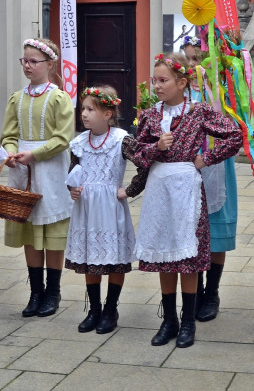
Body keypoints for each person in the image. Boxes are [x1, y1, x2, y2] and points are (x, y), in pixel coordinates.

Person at [131, 53, 242, 348]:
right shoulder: (150, 115)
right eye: (154, 80)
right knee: (165, 255)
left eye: (163, 80)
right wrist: (156, 147)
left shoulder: (198, 111)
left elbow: (234, 136)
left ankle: (188, 322)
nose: (157, 85)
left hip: (187, 188)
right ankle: (169, 320)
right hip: (159, 189)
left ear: (182, 82)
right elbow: (136, 153)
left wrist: (206, 158)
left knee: (187, 258)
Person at [65, 86, 148, 334]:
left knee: (113, 259)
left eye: (91, 109)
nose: (84, 114)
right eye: (83, 109)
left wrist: (129, 190)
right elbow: (73, 173)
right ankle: (94, 309)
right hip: (86, 208)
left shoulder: (121, 140)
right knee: (91, 257)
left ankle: (111, 308)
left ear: (108, 113)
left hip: (110, 208)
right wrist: (73, 189)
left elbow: (144, 165)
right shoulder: (79, 142)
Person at [1, 38, 74, 317]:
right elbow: (9, 134)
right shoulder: (17, 98)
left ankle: (52, 292)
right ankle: (35, 292)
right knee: (30, 232)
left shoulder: (58, 98)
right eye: (25, 61)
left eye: (34, 61)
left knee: (52, 234)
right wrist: (10, 152)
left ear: (50, 64)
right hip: (22, 170)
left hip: (50, 169)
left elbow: (63, 137)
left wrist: (35, 155)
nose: (28, 66)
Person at [180, 38, 238, 322]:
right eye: (189, 59)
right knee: (190, 229)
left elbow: (237, 126)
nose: (194, 65)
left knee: (216, 230)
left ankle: (211, 291)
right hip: (186, 168)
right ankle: (196, 288)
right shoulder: (179, 94)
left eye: (199, 59)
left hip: (216, 165)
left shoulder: (223, 90)